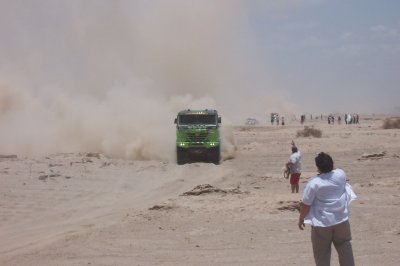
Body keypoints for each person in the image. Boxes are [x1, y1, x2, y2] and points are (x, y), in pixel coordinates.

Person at [298, 152, 356, 266]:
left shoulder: (314, 183)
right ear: (332, 164)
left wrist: (301, 219)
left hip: (322, 223)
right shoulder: (340, 174)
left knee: (322, 254)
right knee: (345, 248)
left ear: (318, 167)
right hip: (341, 220)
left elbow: (306, 204)